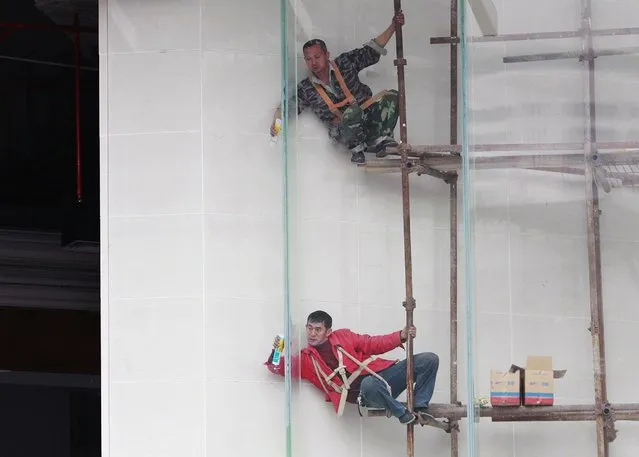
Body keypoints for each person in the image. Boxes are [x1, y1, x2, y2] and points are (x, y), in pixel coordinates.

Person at [269, 13, 405, 164]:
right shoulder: (306, 88)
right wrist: (276, 123)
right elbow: (287, 108)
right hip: (343, 135)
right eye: (309, 59)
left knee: (393, 96)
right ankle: (357, 150)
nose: (313, 62)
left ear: (327, 55)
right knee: (351, 113)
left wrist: (393, 26)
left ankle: (381, 140)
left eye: (317, 56)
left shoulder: (345, 63)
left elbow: (372, 50)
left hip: (368, 120)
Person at [264, 310, 439, 425]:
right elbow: (278, 367)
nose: (312, 333)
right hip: (366, 393)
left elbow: (372, 344)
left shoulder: (344, 336)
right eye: (309, 328)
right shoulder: (307, 360)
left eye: (317, 329)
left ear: (328, 331)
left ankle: (419, 406)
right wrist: (276, 349)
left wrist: (400, 335)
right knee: (369, 384)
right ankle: (403, 414)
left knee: (429, 359)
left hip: (384, 377)